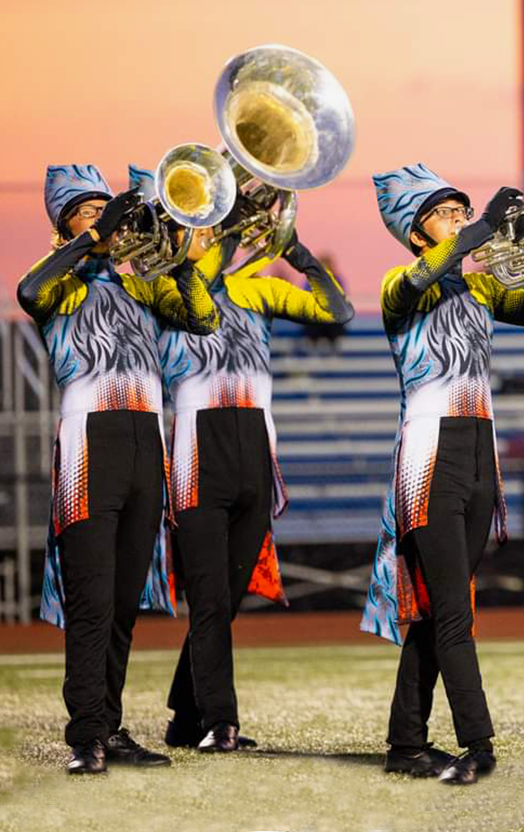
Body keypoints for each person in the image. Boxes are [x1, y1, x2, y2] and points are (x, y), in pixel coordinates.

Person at [122, 164, 358, 754]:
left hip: (255, 443)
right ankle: (220, 721)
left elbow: (337, 313)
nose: (214, 233)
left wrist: (302, 258)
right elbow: (199, 288)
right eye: (202, 225)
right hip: (198, 445)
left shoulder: (254, 286)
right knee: (208, 596)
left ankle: (185, 714)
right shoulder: (162, 284)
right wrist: (221, 232)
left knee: (224, 597)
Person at [361, 164, 524, 785]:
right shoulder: (400, 282)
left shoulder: (480, 291)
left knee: (437, 608)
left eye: (461, 208)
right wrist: (481, 227)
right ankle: (478, 743)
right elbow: (425, 276)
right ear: (416, 231)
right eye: (445, 212)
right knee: (454, 608)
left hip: (481, 449)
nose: (458, 217)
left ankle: (406, 743)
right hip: (429, 453)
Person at [16, 165, 220, 774]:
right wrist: (90, 240)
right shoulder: (62, 284)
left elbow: (203, 318)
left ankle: (111, 724)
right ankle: (86, 735)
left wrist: (180, 257)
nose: (106, 217)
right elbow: (28, 294)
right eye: (88, 209)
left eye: (108, 208)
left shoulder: (137, 287)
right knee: (92, 600)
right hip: (89, 440)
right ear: (64, 223)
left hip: (143, 442)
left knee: (126, 599)